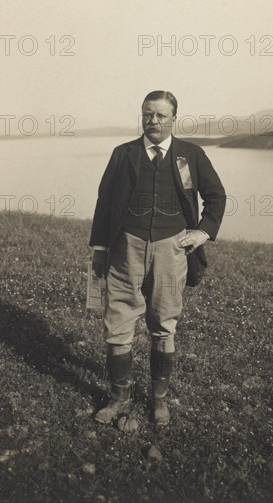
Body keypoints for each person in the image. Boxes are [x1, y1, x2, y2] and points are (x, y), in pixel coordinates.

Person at [89, 90, 226, 427]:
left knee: (164, 324)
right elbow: (104, 202)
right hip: (125, 249)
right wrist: (100, 249)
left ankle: (159, 400)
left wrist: (203, 232)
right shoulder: (124, 154)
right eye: (148, 114)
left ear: (174, 119)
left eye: (161, 115)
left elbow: (216, 196)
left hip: (171, 249)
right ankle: (119, 397)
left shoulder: (190, 155)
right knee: (118, 323)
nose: (153, 121)